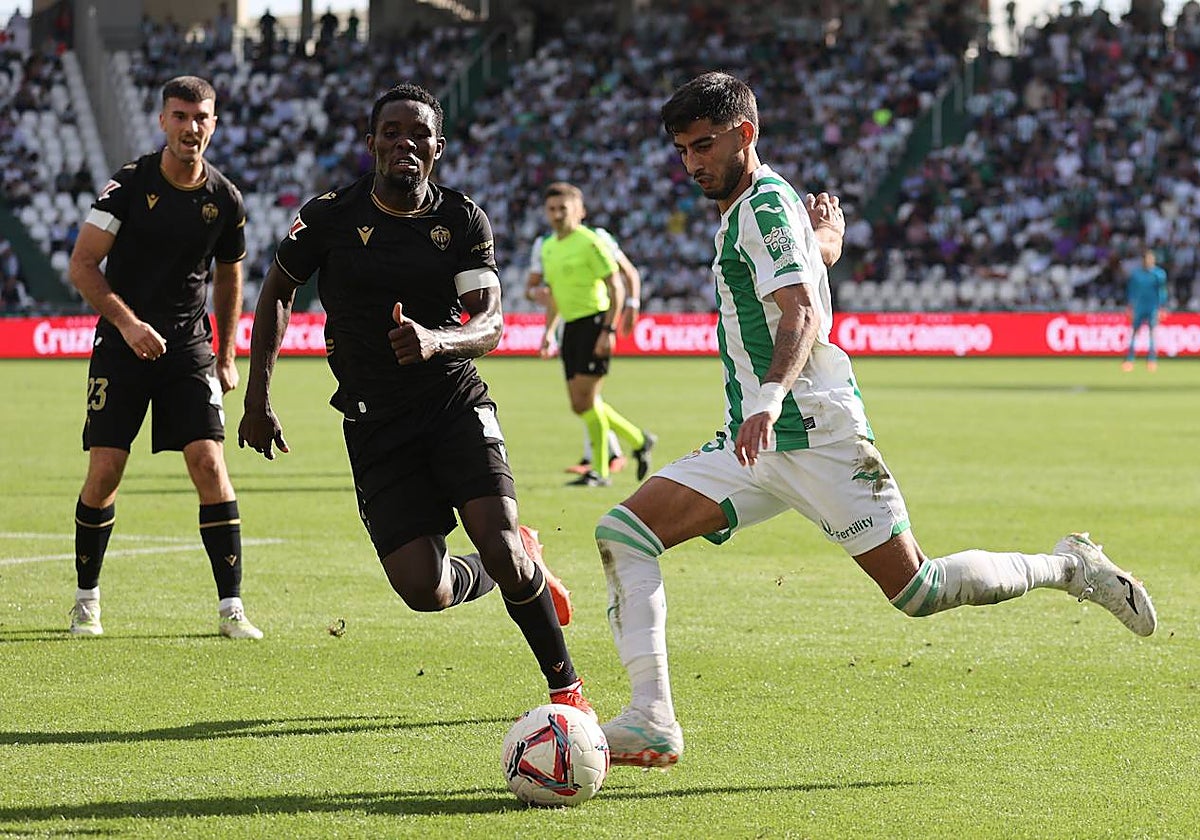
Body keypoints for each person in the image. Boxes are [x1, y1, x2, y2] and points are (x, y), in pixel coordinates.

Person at [595, 71, 1157, 769]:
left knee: (919, 591)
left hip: (814, 433)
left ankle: (1070, 567)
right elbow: (805, 268)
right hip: (758, 445)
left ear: (745, 134)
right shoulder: (762, 208)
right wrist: (826, 241)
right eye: (681, 150)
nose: (691, 163)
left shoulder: (763, 208)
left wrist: (769, 395)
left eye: (703, 145)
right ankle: (652, 718)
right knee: (624, 532)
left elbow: (801, 309)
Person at [238, 83, 593, 716]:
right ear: (370, 142)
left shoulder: (460, 220)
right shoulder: (329, 217)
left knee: (499, 543)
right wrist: (257, 398)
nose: (406, 142)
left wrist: (437, 339)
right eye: (392, 131)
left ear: (438, 148)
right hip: (375, 423)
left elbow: (491, 324)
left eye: (419, 133)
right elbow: (276, 292)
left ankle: (567, 692)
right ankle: (522, 557)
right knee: (423, 589)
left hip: (453, 403)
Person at [66, 75, 262, 639]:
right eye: (180, 116)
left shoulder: (225, 199)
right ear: (162, 122)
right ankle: (86, 600)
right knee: (105, 470)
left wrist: (226, 354)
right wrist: (127, 325)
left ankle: (231, 609)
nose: (190, 128)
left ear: (214, 124)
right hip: (122, 347)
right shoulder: (129, 185)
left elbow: (230, 278)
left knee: (209, 464)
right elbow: (82, 264)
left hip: (188, 351)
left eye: (201, 118)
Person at [536, 182, 655, 487]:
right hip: (571, 328)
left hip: (594, 323)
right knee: (582, 403)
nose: (557, 214)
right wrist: (549, 331)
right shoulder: (548, 247)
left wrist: (608, 329)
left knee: (585, 402)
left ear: (579, 211)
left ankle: (600, 471)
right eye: (552, 209)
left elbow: (615, 286)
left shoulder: (590, 242)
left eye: (563, 208)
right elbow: (555, 298)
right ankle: (639, 439)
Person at [1122, 248, 1168, 372]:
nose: (1147, 261)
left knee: (1152, 333)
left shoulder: (1159, 274)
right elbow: (1131, 291)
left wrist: (1162, 307)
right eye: (1145, 259)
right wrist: (1130, 306)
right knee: (1134, 332)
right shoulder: (1136, 274)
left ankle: (1151, 360)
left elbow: (1162, 292)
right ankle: (1129, 359)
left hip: (1153, 307)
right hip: (1139, 307)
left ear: (1153, 260)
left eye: (1150, 258)